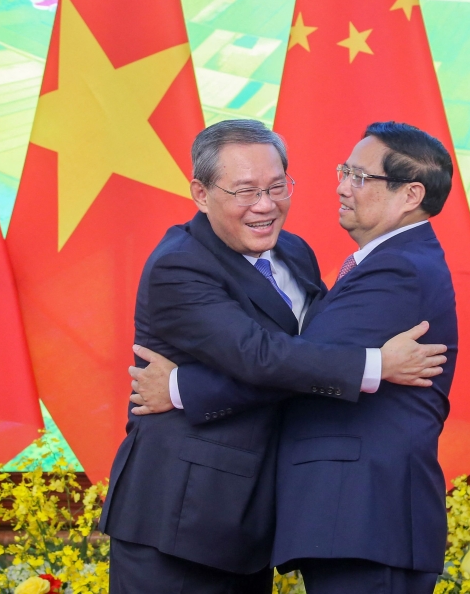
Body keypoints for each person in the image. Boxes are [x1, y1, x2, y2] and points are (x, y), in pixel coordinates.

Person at [99, 119, 446, 594]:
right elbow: (259, 357)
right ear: (201, 194)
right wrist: (376, 365)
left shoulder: (294, 251)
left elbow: (308, 355)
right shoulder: (178, 264)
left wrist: (181, 388)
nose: (265, 206)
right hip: (180, 519)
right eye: (244, 192)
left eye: (277, 187)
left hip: (251, 522)